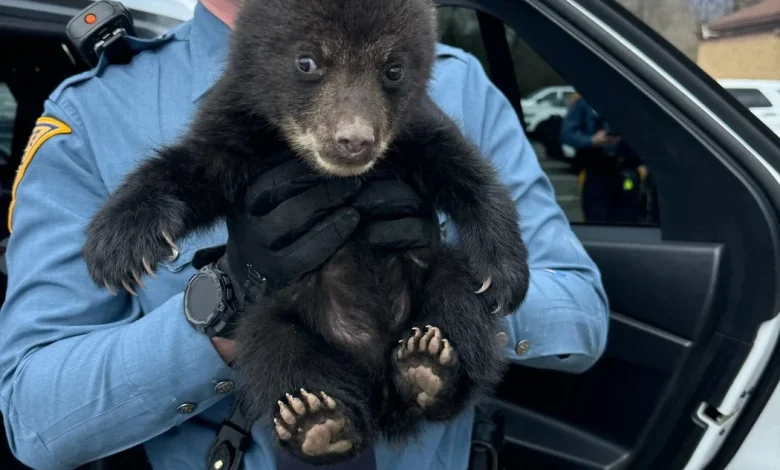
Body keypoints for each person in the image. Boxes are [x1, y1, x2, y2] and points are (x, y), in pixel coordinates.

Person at [0, 1, 609, 469]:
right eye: (312, 66)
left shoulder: (456, 86)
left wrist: (463, 295)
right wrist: (224, 307)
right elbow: (35, 421)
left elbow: (581, 311)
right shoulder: (96, 113)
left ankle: (428, 380)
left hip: (421, 376)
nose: (356, 131)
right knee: (270, 341)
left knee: (449, 288)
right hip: (285, 358)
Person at [560, 94, 648, 224]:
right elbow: (566, 135)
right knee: (597, 222)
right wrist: (592, 140)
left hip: (627, 170)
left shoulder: (634, 100)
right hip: (597, 170)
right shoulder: (585, 102)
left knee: (628, 223)